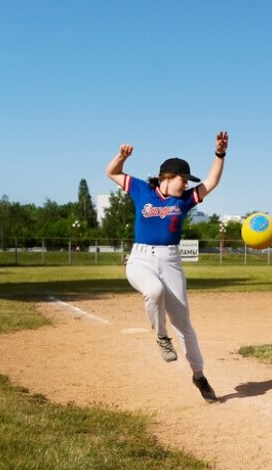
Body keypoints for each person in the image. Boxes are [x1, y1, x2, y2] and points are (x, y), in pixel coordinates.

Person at [106, 131, 229, 401]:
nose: (185, 185)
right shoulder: (141, 190)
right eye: (182, 180)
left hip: (171, 261)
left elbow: (212, 181)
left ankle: (199, 376)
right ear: (166, 178)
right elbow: (112, 172)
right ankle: (161, 337)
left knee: (184, 325)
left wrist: (220, 153)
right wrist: (121, 157)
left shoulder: (183, 200)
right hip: (140, 259)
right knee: (153, 291)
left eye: (186, 182)